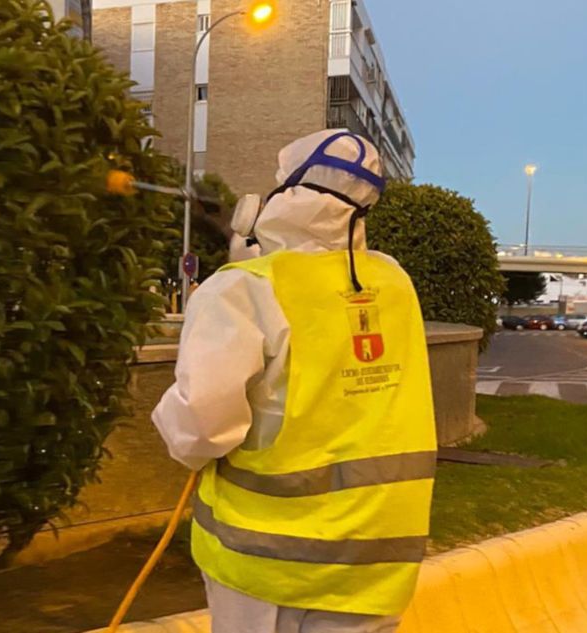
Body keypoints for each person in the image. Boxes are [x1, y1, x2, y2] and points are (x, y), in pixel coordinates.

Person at [153, 130, 437, 633]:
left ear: (287, 193)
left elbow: (201, 427)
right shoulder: (395, 282)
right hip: (376, 567)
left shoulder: (242, 290)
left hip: (268, 570)